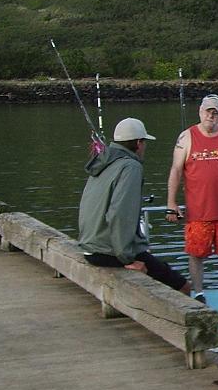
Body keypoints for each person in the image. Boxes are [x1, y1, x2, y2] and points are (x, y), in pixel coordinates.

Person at [78, 117, 190, 295]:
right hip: (111, 252)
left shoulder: (103, 162)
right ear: (139, 143)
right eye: (144, 142)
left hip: (90, 248)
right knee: (182, 286)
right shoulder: (131, 166)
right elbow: (120, 214)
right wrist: (127, 258)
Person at [166, 94, 218, 313]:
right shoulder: (186, 137)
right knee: (196, 254)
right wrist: (171, 203)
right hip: (198, 211)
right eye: (208, 111)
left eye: (216, 113)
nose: (211, 116)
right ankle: (199, 294)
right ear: (200, 111)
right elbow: (176, 170)